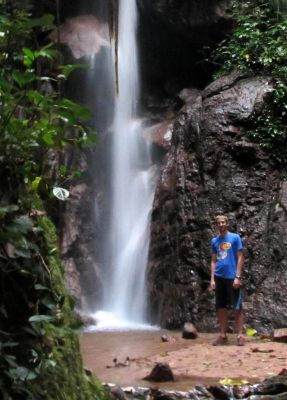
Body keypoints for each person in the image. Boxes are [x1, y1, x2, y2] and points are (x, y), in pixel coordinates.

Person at [210, 215, 245, 346]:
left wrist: (238, 276)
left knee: (237, 307)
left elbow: (240, 257)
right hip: (219, 276)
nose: (221, 224)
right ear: (216, 225)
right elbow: (213, 260)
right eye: (218, 222)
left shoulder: (235, 238)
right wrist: (212, 278)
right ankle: (223, 335)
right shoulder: (214, 241)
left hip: (232, 277)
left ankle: (240, 335)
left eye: (223, 222)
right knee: (221, 307)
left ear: (227, 223)